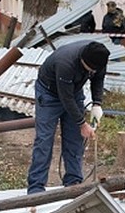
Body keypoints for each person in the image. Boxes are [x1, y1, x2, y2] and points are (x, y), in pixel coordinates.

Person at [26, 41, 109, 193]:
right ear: (83, 61)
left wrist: (97, 103)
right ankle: (36, 187)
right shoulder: (66, 62)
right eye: (90, 69)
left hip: (74, 91)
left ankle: (73, 181)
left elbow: (98, 80)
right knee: (44, 139)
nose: (92, 72)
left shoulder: (99, 59)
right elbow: (66, 98)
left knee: (74, 139)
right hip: (49, 94)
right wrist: (82, 123)